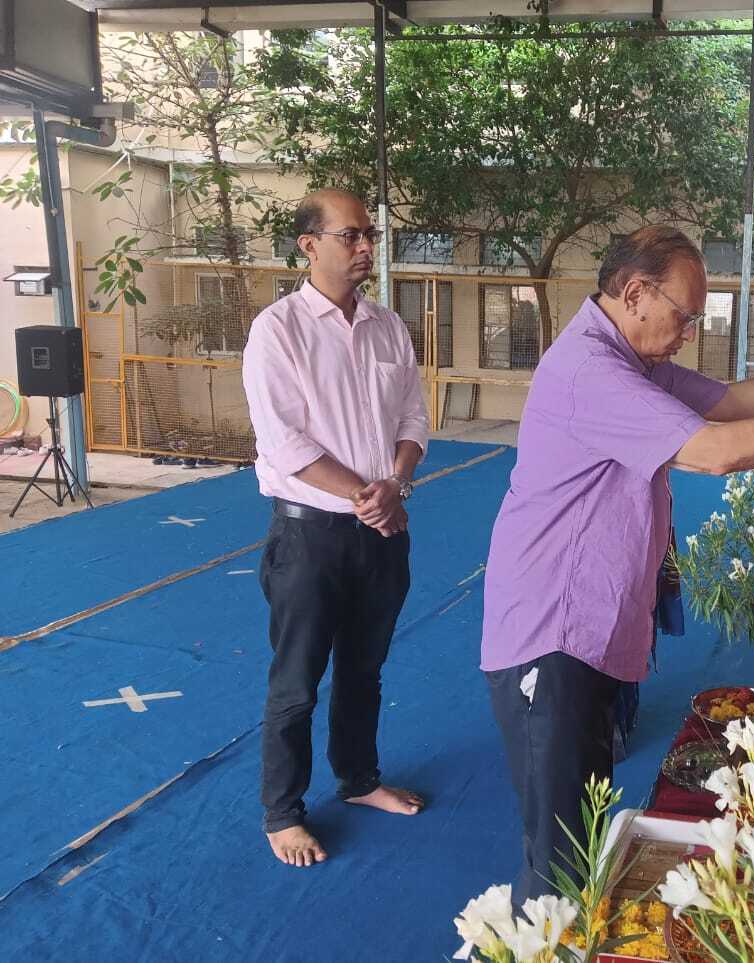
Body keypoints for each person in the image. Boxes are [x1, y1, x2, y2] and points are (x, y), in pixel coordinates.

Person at [481, 225, 754, 901]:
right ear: (635, 293)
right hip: (553, 634)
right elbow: (717, 448)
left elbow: (728, 400)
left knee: (579, 835)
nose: (689, 330)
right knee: (559, 863)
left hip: (586, 628)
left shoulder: (629, 353)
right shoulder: (591, 370)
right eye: (685, 314)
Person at [242, 188, 429, 868]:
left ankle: (359, 779)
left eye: (369, 234)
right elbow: (283, 442)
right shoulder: (278, 330)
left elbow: (414, 420)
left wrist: (395, 486)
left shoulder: (388, 327)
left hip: (381, 529)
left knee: (365, 668)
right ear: (309, 245)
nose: (366, 248)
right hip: (310, 536)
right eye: (350, 235)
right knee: (297, 679)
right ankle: (283, 812)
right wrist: (366, 495)